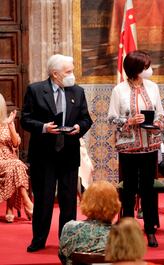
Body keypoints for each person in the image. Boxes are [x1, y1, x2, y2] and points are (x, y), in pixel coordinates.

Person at [21, 54, 93, 252]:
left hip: (68, 153)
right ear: (55, 74)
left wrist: (79, 127)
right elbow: (25, 120)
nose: (72, 75)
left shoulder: (77, 92)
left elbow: (87, 119)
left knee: (68, 199)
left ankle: (67, 241)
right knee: (43, 199)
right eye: (68, 71)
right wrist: (44, 127)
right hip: (44, 155)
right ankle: (39, 240)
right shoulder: (35, 90)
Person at [108, 50, 164, 248]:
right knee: (129, 191)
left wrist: (160, 121)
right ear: (136, 69)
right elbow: (112, 118)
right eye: (145, 67)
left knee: (148, 190)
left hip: (150, 146)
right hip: (128, 148)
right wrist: (130, 121)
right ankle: (127, 232)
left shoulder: (153, 87)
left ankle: (150, 230)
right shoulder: (119, 90)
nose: (149, 70)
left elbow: (160, 112)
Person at [58, 180, 121, 265]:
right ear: (116, 204)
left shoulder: (69, 228)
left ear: (85, 201)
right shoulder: (123, 234)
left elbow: (63, 258)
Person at [0, 94, 33, 223]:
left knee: (15, 167)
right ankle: (27, 203)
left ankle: (10, 209)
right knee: (16, 165)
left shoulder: (6, 123)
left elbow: (15, 143)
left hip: (10, 159)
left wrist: (11, 126)